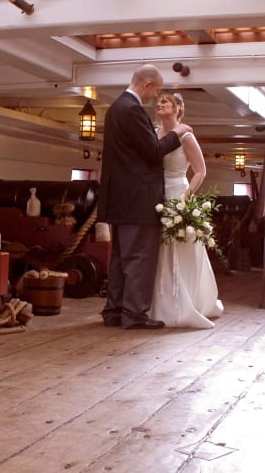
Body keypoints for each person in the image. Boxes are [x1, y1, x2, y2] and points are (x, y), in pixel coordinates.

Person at [97, 65, 193, 330]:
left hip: (119, 198)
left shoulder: (116, 108)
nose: (156, 96)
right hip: (139, 199)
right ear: (147, 84)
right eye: (157, 89)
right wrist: (178, 133)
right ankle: (134, 316)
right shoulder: (132, 109)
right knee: (139, 258)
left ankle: (114, 312)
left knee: (119, 259)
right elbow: (153, 151)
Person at [149, 92, 223, 328]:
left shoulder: (186, 136)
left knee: (180, 249)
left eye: (165, 101)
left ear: (177, 107)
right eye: (158, 101)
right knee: (158, 250)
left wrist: (186, 198)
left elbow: (200, 171)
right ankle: (159, 303)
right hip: (155, 195)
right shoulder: (153, 133)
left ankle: (188, 302)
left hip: (177, 193)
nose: (159, 104)